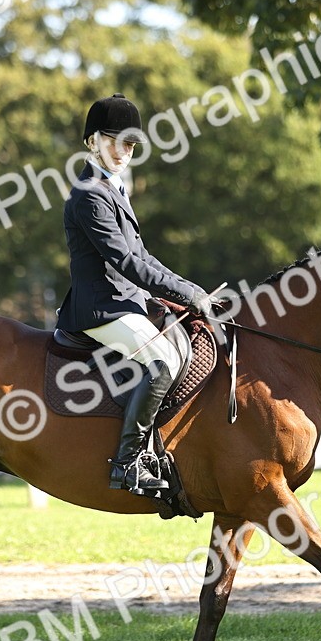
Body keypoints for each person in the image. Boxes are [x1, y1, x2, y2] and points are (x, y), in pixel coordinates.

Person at [56, 93, 213, 495]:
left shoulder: (115, 188)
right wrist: (186, 291)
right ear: (92, 141)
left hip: (125, 300)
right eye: (114, 140)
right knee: (161, 362)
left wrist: (186, 291)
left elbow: (143, 256)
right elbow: (125, 261)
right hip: (101, 309)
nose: (123, 150)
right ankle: (127, 464)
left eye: (129, 144)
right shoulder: (90, 193)